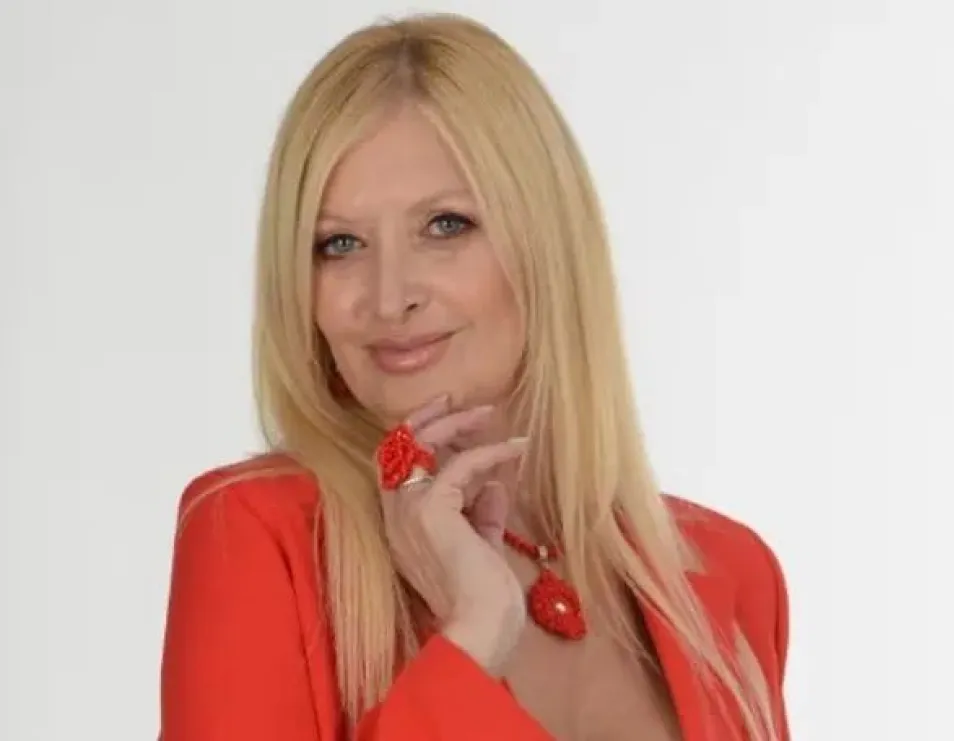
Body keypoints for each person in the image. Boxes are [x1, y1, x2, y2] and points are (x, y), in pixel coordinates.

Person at [159, 12, 790, 741]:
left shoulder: (727, 573)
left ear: (547, 242)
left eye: (445, 226)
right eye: (339, 243)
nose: (389, 297)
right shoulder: (256, 536)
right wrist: (473, 634)